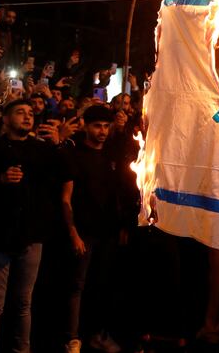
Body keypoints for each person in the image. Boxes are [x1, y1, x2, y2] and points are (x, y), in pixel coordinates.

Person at [0, 98, 63, 353]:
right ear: (6, 118)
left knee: (24, 302)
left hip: (32, 235)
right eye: (20, 112)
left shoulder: (42, 150)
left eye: (31, 113)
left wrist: (58, 144)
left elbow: (66, 175)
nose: (27, 116)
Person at [61, 105, 138, 353]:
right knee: (77, 286)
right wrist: (73, 233)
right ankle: (72, 337)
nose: (102, 131)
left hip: (108, 231)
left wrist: (124, 225)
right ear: (85, 126)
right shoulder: (75, 155)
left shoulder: (112, 157)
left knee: (102, 285)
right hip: (84, 231)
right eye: (97, 126)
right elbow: (66, 198)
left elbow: (122, 191)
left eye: (106, 126)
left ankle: (97, 334)